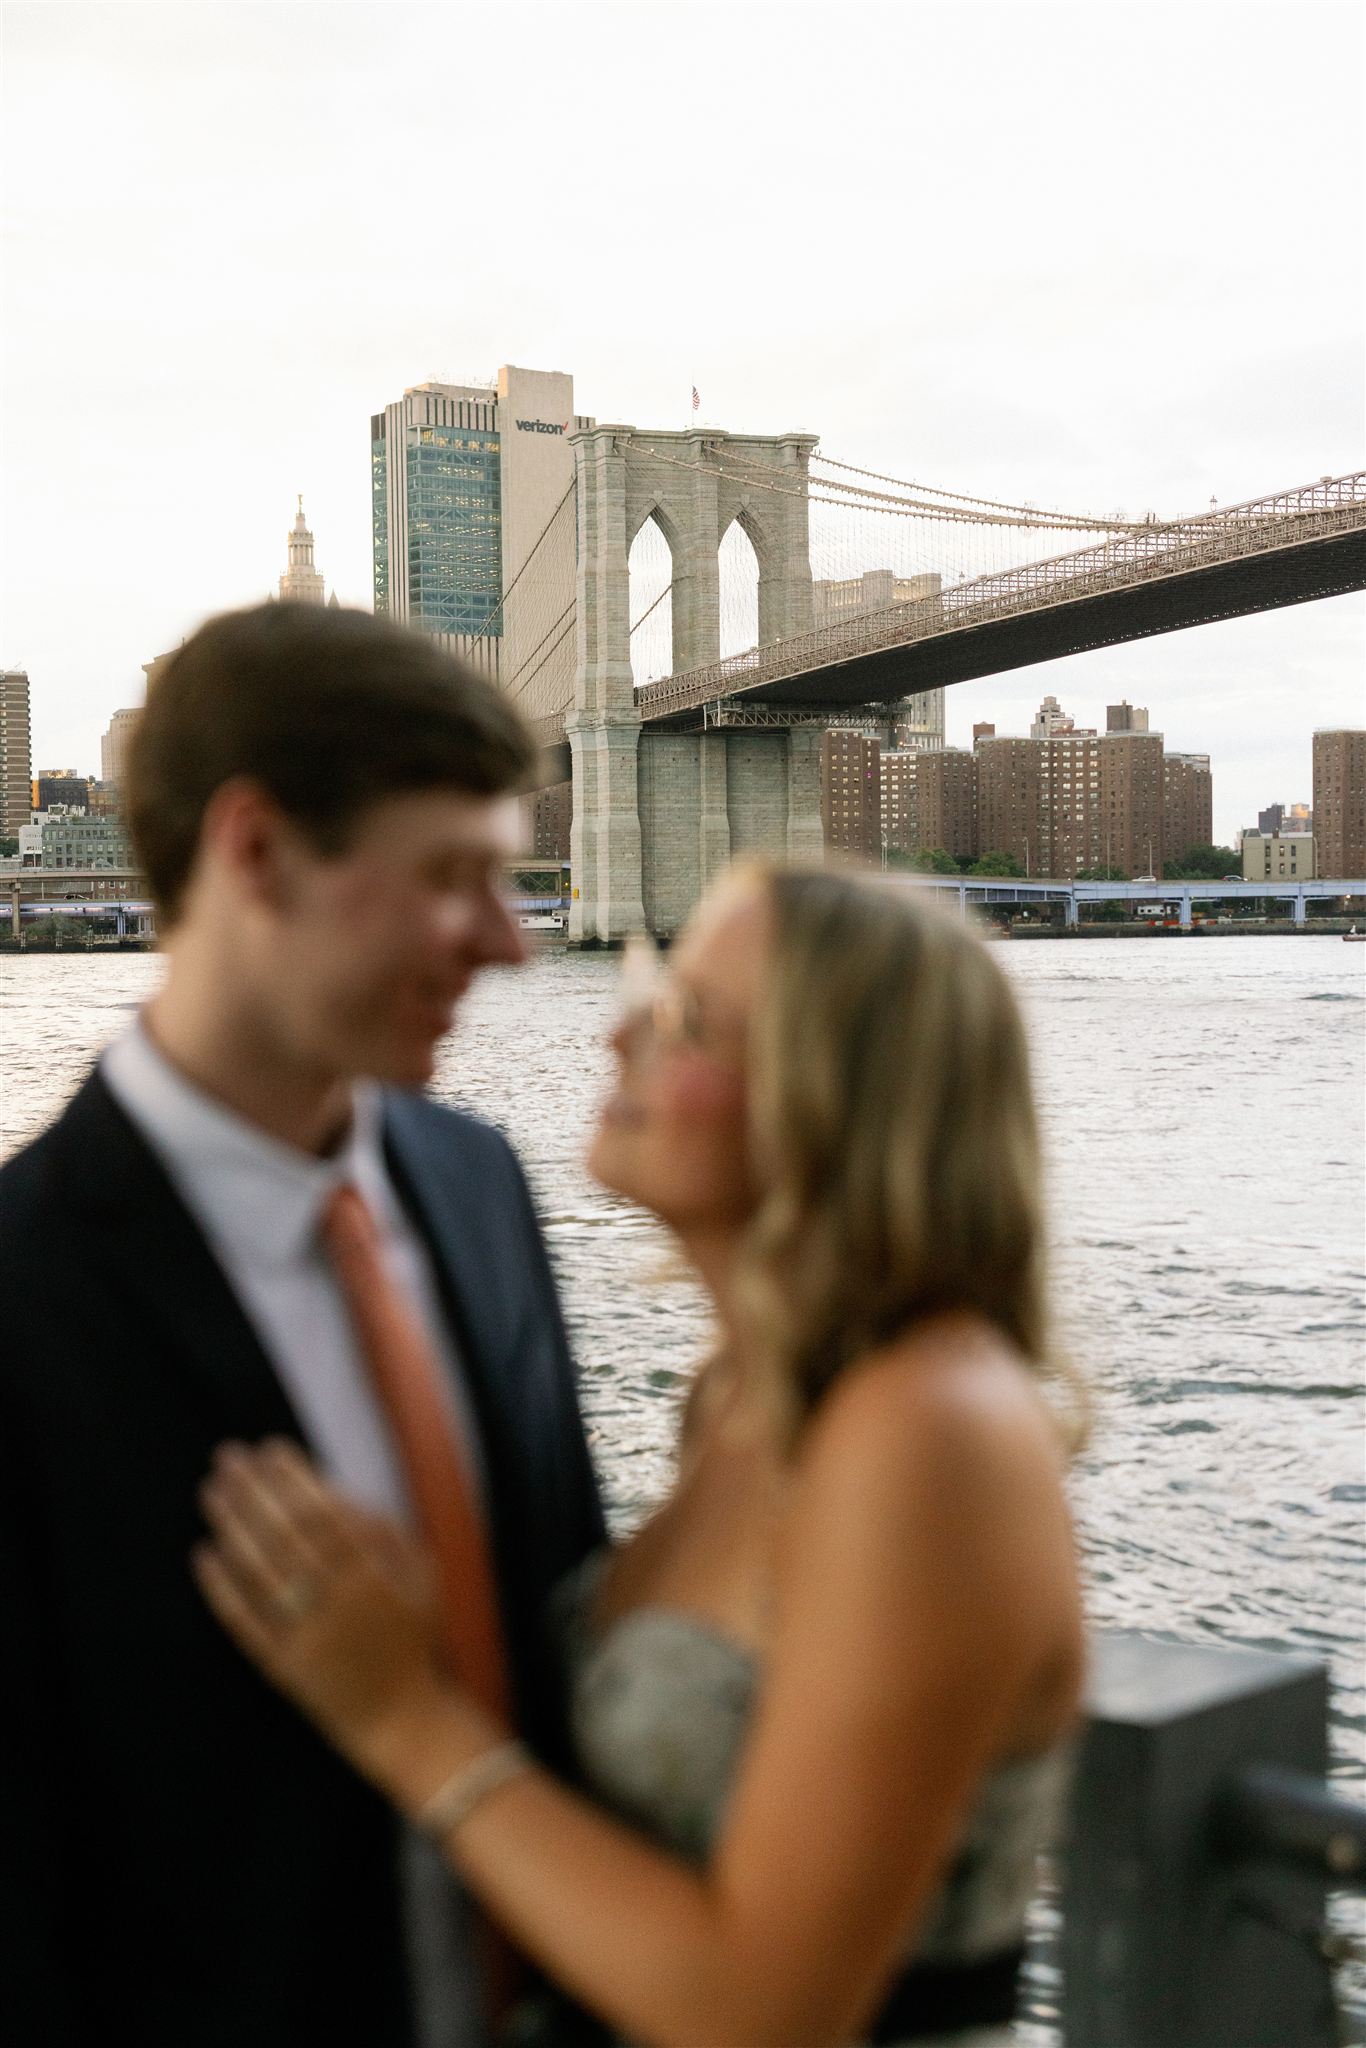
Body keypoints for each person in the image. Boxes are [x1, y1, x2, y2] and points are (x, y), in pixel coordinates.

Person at [196, 861, 1087, 2048]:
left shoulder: (930, 1432)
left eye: (687, 1020)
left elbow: (763, 2013)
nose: (619, 1033)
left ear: (838, 1104)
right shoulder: (739, 1398)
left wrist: (402, 1715)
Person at [0, 603, 605, 2048]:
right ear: (257, 851)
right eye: (453, 879)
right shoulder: (21, 1303)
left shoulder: (478, 1186)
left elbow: (556, 1631)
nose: (511, 947)